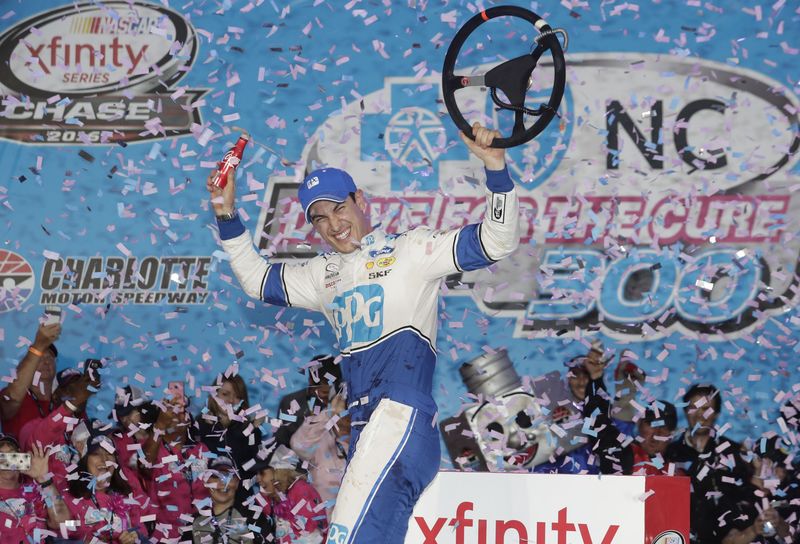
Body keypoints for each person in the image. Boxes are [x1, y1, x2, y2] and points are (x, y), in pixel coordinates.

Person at [208, 122, 519, 542]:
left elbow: (496, 242)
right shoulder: (323, 274)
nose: (333, 224)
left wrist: (496, 170)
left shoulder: (412, 250)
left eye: (339, 208)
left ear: (360, 200)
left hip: (399, 417)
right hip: (364, 427)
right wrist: (226, 214)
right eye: (319, 218)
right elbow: (256, 279)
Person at [666, 383, 751, 544]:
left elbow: (746, 498)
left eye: (706, 408)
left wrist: (736, 530)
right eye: (694, 408)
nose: (700, 415)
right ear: (685, 411)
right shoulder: (671, 453)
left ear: (717, 413)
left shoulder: (732, 452)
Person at [62, 438, 150, 543]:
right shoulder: (69, 496)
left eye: (109, 453)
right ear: (83, 460)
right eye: (95, 453)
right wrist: (85, 538)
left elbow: (141, 530)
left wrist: (135, 537)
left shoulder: (126, 496)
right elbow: (62, 526)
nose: (104, 459)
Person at [290, 380, 350, 517]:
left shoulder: (365, 437)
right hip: (323, 527)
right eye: (343, 408)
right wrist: (329, 414)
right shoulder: (319, 434)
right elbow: (298, 446)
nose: (346, 417)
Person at [0, 434, 70, 543]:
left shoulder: (36, 490)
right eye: (1, 456)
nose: (7, 461)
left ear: (22, 458)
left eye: (12, 455)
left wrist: (44, 479)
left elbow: (63, 523)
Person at [251, 446, 327, 544]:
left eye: (262, 473)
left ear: (278, 470)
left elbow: (312, 537)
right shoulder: (272, 498)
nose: (258, 478)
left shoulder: (302, 491)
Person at [197, 371, 263, 480]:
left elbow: (253, 469)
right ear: (214, 395)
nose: (231, 401)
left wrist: (253, 430)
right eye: (225, 394)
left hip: (241, 494)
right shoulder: (199, 424)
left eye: (237, 396)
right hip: (210, 493)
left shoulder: (250, 429)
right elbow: (196, 468)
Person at [0, 321, 61, 439]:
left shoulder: (63, 400)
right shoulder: (12, 397)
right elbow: (12, 398)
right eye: (39, 358)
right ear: (27, 365)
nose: (46, 362)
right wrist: (38, 346)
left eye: (50, 358)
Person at [193, 456, 268, 544]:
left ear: (237, 482)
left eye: (228, 476)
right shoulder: (194, 521)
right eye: (216, 476)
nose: (223, 482)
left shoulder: (254, 517)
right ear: (206, 482)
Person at [274, 355, 342, 448]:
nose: (324, 389)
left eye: (330, 383)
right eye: (318, 383)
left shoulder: (348, 403)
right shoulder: (291, 403)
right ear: (310, 380)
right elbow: (281, 444)